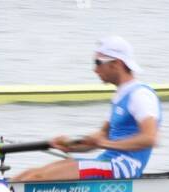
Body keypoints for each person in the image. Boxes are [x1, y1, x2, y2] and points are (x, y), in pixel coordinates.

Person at [14, 36, 159, 182]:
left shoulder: (140, 95)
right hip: (107, 162)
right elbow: (101, 135)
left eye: (98, 63)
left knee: (38, 178)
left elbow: (150, 139)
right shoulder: (121, 94)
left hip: (124, 167)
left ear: (116, 63)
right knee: (29, 174)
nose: (95, 70)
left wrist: (103, 144)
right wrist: (71, 144)